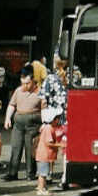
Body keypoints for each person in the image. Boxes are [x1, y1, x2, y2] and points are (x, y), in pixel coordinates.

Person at [2, 65, 43, 181]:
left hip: (33, 124)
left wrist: (43, 124)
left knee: (30, 150)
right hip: (18, 123)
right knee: (15, 147)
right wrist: (7, 119)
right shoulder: (18, 91)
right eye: (23, 83)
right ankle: (12, 173)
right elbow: (11, 105)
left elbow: (44, 109)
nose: (24, 86)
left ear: (33, 80)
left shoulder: (40, 92)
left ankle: (30, 174)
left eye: (27, 83)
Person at [38, 56, 70, 189]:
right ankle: (65, 176)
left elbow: (43, 100)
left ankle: (49, 174)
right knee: (66, 148)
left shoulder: (50, 78)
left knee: (49, 147)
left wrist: (44, 120)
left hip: (54, 118)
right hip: (69, 117)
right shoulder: (76, 75)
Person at [35, 107, 66, 195]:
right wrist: (60, 145)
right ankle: (41, 189)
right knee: (43, 173)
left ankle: (42, 187)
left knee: (43, 172)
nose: (58, 120)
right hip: (44, 155)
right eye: (57, 118)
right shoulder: (49, 128)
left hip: (44, 155)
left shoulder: (47, 127)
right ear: (53, 119)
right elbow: (49, 143)